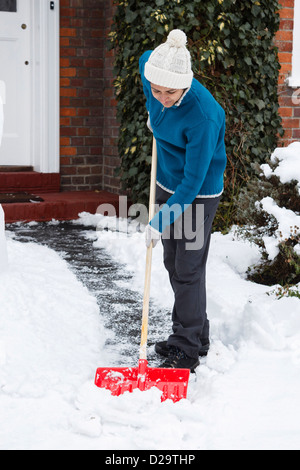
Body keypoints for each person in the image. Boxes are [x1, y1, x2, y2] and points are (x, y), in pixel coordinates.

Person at [139, 29, 227, 371]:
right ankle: (197, 333)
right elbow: (148, 54)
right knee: (174, 262)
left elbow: (192, 184)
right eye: (155, 89)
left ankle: (186, 347)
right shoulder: (155, 71)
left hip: (197, 192)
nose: (161, 96)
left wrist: (158, 221)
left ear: (186, 83)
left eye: (170, 92)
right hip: (165, 180)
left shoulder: (204, 115)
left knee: (187, 268)